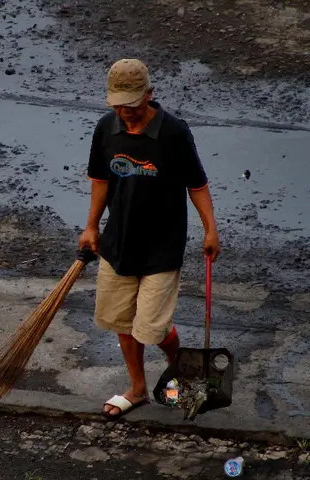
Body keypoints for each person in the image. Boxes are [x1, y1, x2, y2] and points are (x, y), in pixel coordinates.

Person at [78, 58, 221, 419]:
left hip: (162, 245)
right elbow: (100, 180)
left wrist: (210, 229)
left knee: (152, 329)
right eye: (118, 104)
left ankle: (187, 372)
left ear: (149, 95)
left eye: (132, 104)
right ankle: (137, 389)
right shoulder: (106, 128)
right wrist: (92, 226)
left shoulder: (173, 132)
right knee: (123, 321)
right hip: (118, 242)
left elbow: (197, 184)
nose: (125, 111)